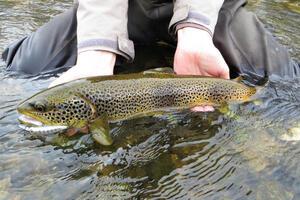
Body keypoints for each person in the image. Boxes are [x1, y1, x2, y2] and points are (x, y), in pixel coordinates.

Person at [2, 1, 299, 95]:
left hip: (213, 10)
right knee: (17, 66)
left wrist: (195, 28)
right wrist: (97, 50)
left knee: (288, 84)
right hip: (126, 8)